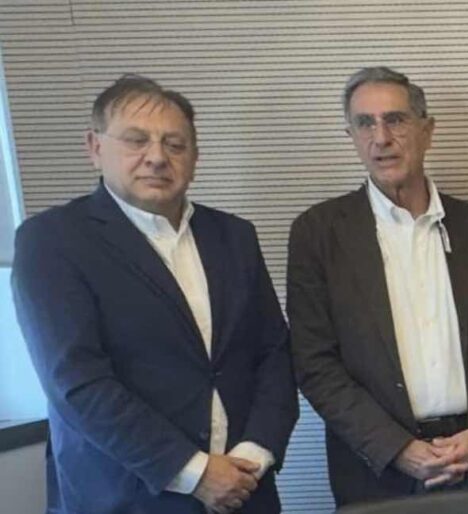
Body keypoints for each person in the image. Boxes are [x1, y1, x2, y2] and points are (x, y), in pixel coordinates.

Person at [12, 74, 298, 514]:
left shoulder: (234, 236)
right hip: (127, 497)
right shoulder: (52, 240)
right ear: (94, 147)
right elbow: (76, 381)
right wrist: (195, 472)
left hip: (245, 491)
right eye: (136, 140)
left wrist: (255, 455)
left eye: (175, 144)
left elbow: (273, 353)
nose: (157, 157)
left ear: (195, 157)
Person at [287, 66, 468, 507]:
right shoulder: (318, 234)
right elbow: (314, 362)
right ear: (351, 136)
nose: (381, 138)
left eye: (395, 120)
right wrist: (396, 448)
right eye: (365, 123)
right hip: (378, 473)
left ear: (426, 130)